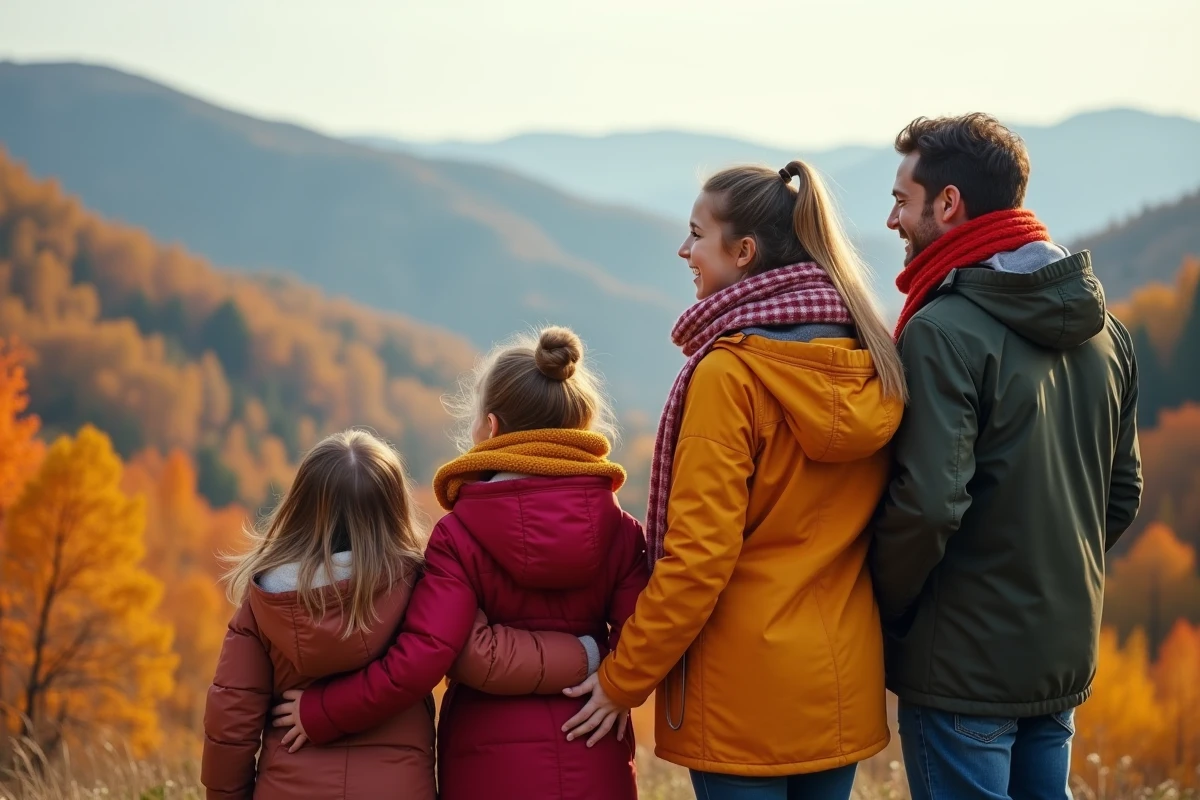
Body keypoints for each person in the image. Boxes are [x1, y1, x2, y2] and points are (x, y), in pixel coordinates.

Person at [563, 161, 907, 800]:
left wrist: (621, 680)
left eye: (697, 234)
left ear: (743, 252)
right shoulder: (872, 362)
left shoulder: (730, 376)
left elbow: (696, 561)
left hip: (741, 695)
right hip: (839, 683)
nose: (684, 249)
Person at [870, 113, 1143, 800]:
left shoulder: (942, 330)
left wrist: (886, 604)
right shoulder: (1107, 330)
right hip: (1058, 657)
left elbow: (930, 504)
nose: (892, 221)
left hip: (960, 664)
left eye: (902, 200)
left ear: (950, 203)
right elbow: (1122, 494)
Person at [273, 328, 648, 800]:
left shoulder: (459, 535)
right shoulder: (621, 531)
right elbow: (647, 634)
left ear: (491, 427)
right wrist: (617, 683)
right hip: (597, 754)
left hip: (488, 771)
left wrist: (323, 711)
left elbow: (420, 659)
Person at [201, 429, 591, 800]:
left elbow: (230, 722)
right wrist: (588, 655)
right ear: (394, 509)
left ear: (298, 507)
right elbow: (485, 656)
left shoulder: (265, 600)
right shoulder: (424, 585)